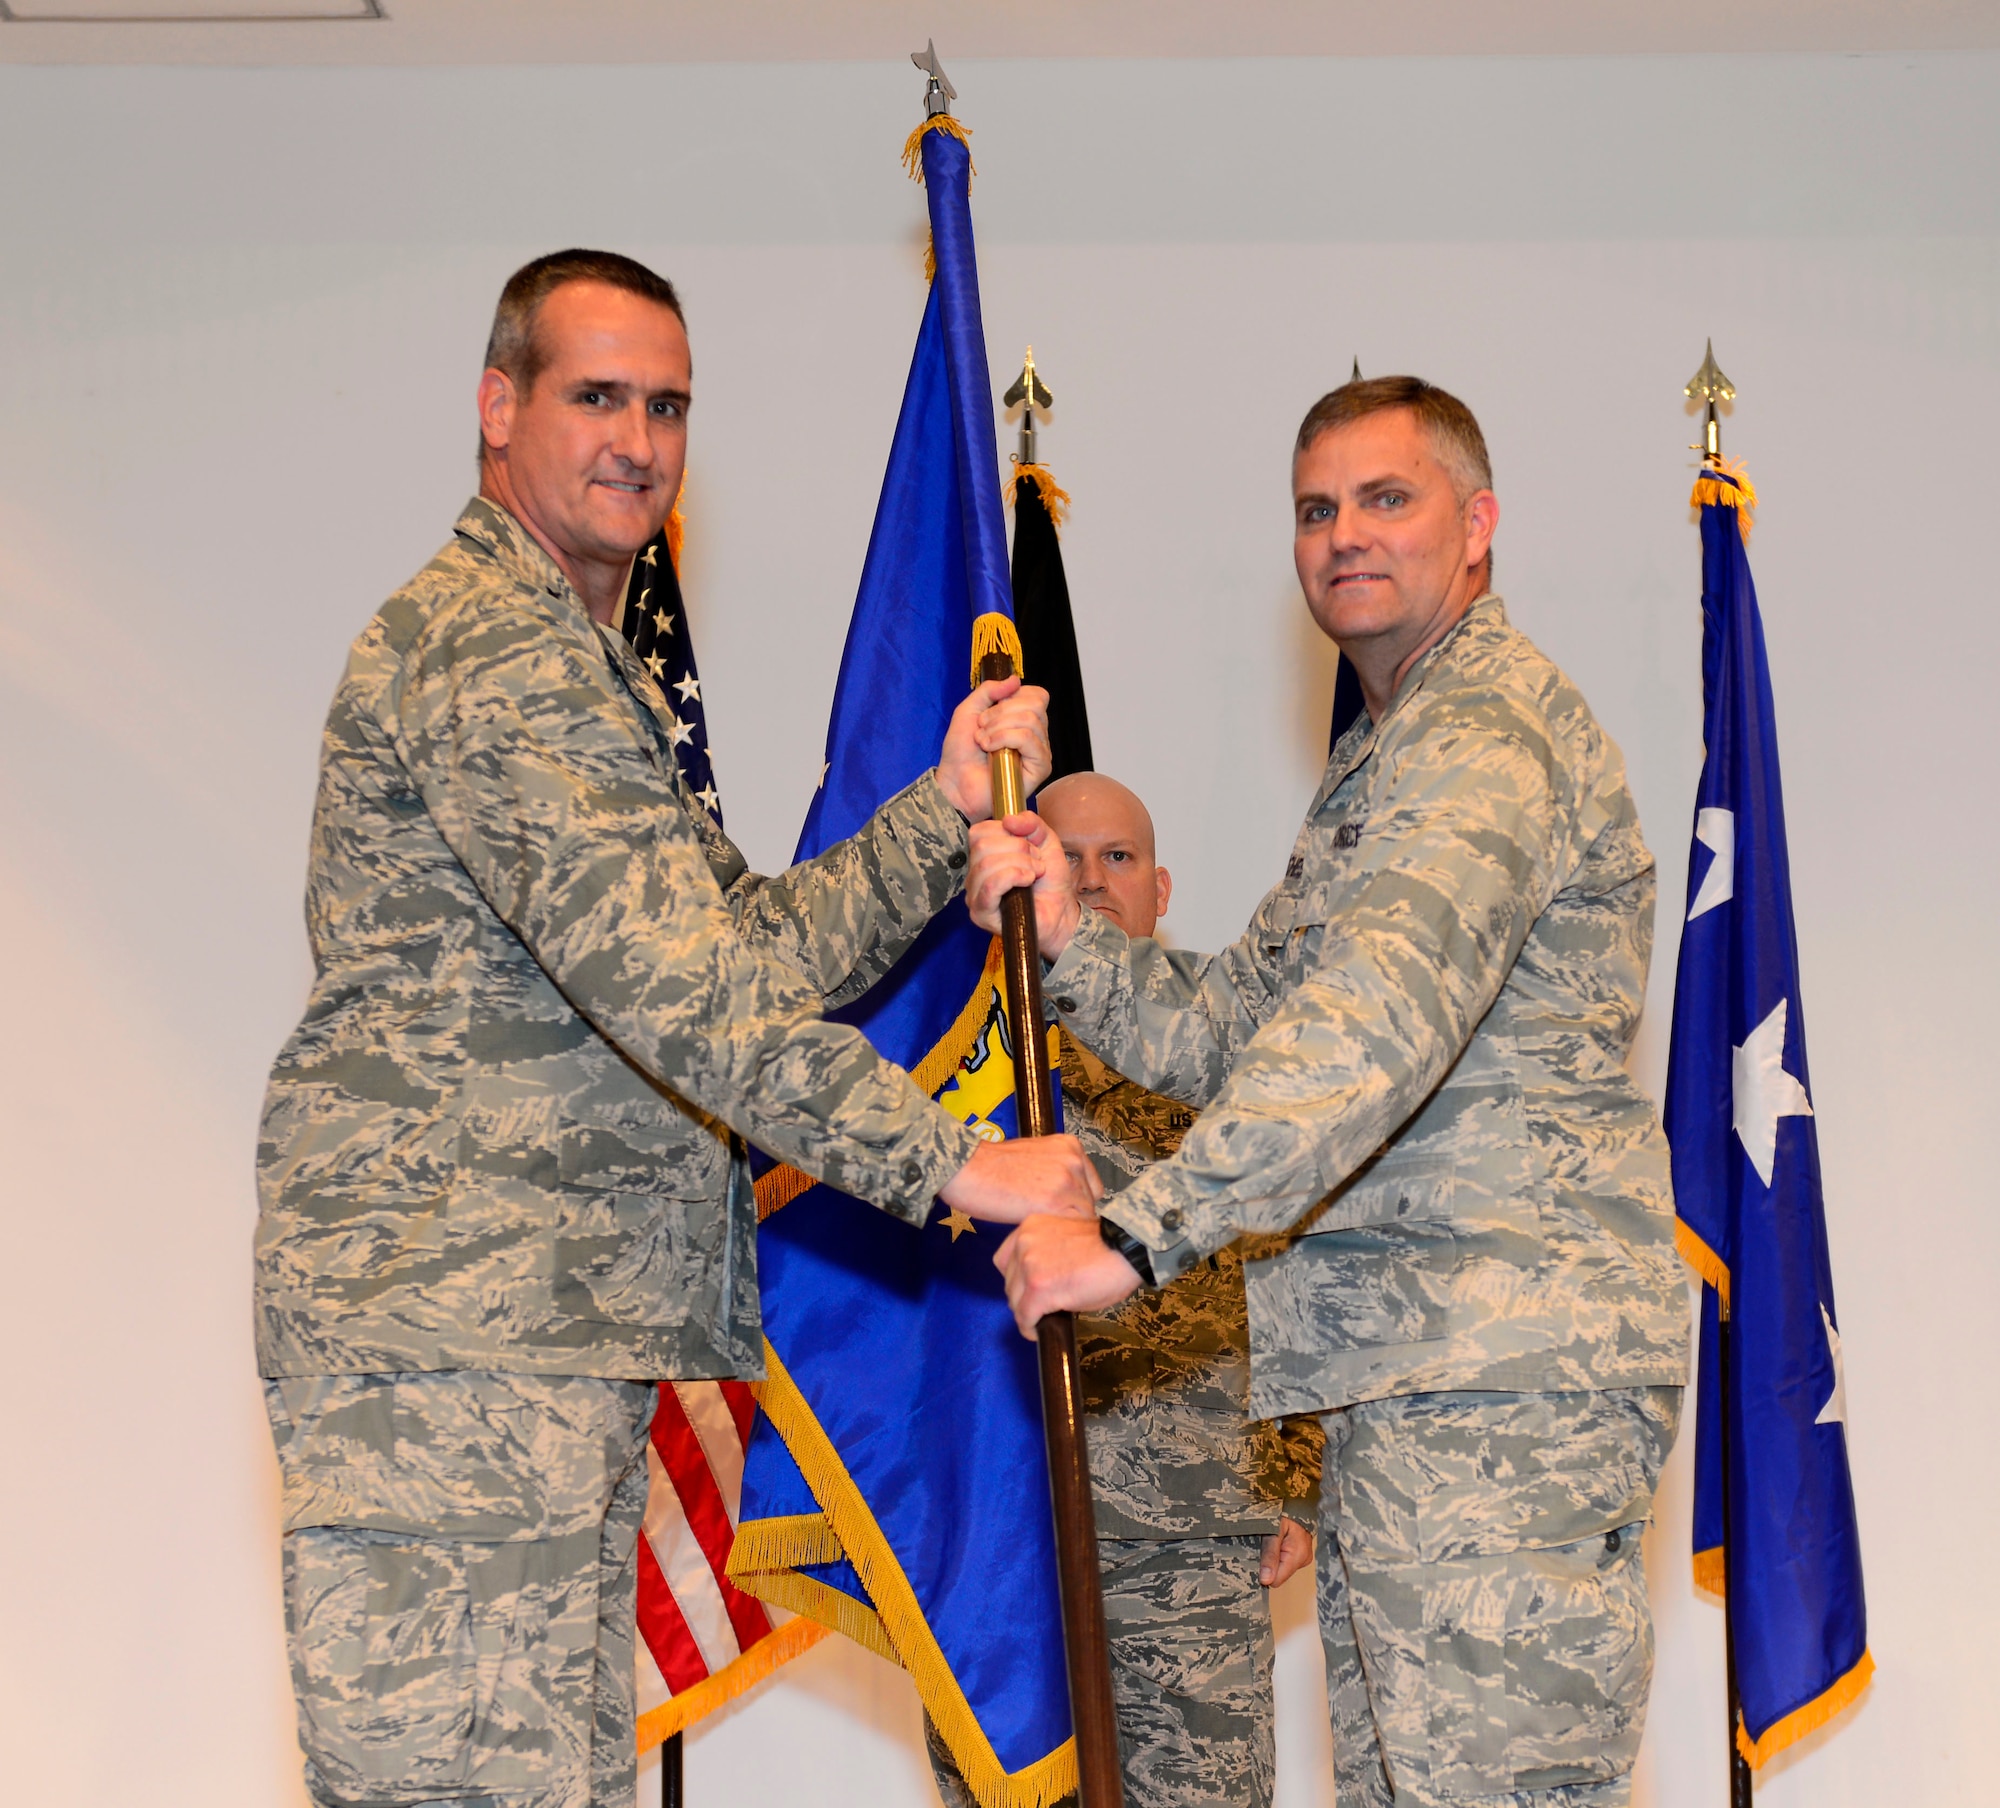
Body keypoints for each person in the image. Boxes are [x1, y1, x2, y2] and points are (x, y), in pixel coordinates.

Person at [254, 248, 1101, 1808]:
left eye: (667, 405)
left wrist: (931, 816)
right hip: (454, 1344)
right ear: (498, 410)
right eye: (595, 396)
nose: (637, 438)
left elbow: (747, 950)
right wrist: (953, 1165)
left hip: (539, 1339)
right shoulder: (487, 655)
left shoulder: (586, 673)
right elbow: (687, 996)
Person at [969, 377, 1690, 1808]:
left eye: (1387, 498)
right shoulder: (1390, 750)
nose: (1345, 535)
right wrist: (1068, 939)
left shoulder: (1484, 741)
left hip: (1494, 1383)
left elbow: (1372, 1025)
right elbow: (1249, 1016)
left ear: (1476, 527)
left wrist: (1134, 1234)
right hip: (1412, 1388)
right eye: (1316, 508)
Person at [925, 772, 1322, 1808]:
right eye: (1069, 853)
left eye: (1119, 858)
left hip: (1190, 1542)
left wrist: (1298, 1472)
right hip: (1003, 1540)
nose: (1093, 880)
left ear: (1160, 886)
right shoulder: (965, 1057)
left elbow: (1294, 1248)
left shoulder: (1227, 1051)